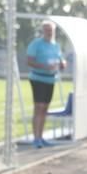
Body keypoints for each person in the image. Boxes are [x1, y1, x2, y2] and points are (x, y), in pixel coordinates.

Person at [26, 20, 66, 148]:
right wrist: (44, 66)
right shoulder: (36, 44)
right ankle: (36, 138)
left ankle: (41, 137)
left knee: (45, 109)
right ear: (43, 31)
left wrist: (62, 64)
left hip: (51, 79)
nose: (49, 32)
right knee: (38, 107)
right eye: (47, 30)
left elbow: (60, 59)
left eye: (51, 30)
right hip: (38, 79)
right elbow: (30, 61)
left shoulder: (56, 45)